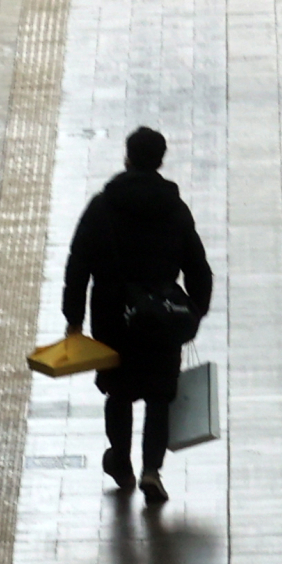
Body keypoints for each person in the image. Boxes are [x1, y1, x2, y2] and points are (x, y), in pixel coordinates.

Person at [62, 127, 213, 504]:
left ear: (127, 157)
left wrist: (74, 317)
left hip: (113, 313)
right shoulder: (175, 209)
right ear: (160, 161)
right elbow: (198, 267)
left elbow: (78, 262)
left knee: (119, 392)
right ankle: (151, 471)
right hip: (161, 317)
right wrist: (193, 312)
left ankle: (121, 463)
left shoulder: (103, 206)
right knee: (160, 395)